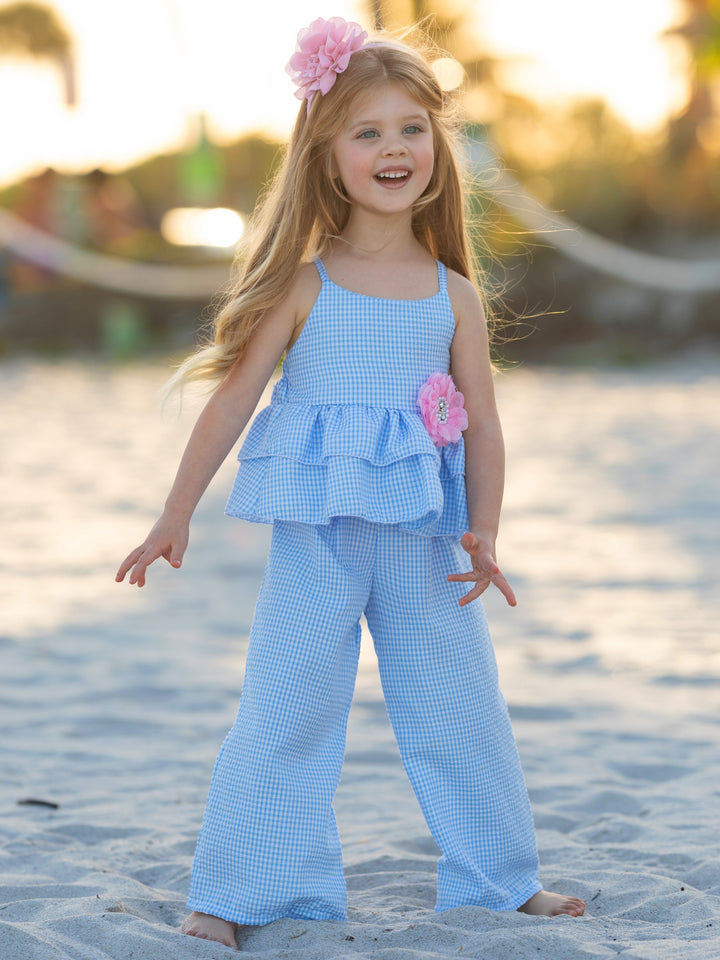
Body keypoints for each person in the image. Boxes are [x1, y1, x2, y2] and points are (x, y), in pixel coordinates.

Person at [116, 17, 586, 951]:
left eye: (412, 127)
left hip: (424, 538)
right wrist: (175, 513)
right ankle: (244, 893)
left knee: (461, 709)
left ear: (438, 151)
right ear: (327, 156)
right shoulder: (304, 283)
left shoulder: (451, 290)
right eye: (367, 131)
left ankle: (498, 881)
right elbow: (233, 401)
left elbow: (484, 423)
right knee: (286, 708)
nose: (394, 148)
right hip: (318, 534)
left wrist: (483, 530)